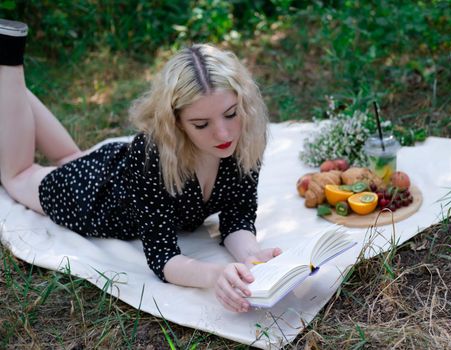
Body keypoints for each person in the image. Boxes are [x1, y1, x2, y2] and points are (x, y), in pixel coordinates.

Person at [0, 19, 281, 313]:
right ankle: (8, 56)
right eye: (201, 124)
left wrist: (251, 257)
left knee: (71, 156)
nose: (224, 135)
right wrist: (214, 275)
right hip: (91, 197)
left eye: (231, 114)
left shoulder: (244, 139)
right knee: (19, 176)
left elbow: (237, 216)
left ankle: (10, 86)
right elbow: (163, 258)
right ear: (176, 125)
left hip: (116, 169)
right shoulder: (152, 155)